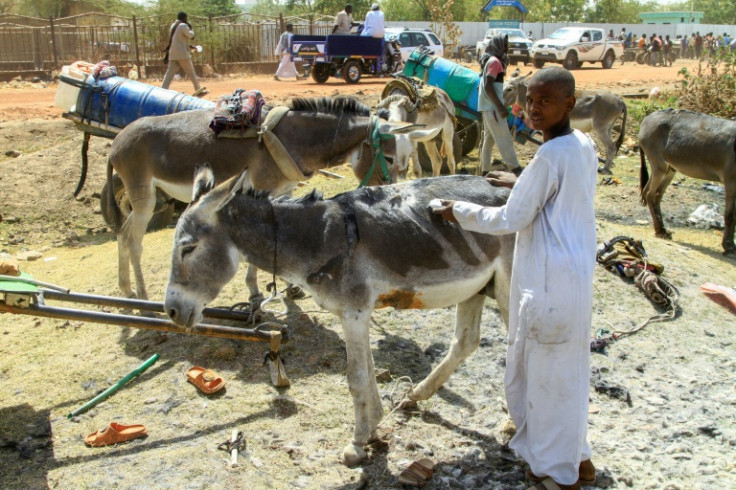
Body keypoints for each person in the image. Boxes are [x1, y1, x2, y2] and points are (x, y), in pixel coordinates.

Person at [433, 66, 598, 490]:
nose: (534, 108)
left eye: (546, 101)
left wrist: (458, 210)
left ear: (569, 104)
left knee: (544, 380)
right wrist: (523, 180)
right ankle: (577, 459)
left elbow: (510, 218)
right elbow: (554, 190)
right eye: (529, 99)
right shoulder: (581, 145)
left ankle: (555, 474)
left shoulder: (548, 156)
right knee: (568, 375)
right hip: (574, 281)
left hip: (547, 285)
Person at [478, 34, 521, 175]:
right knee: (504, 138)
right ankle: (515, 168)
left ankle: (485, 170)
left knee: (489, 140)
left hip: (487, 107)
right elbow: (488, 86)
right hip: (493, 108)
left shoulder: (491, 60)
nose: (507, 48)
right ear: (497, 45)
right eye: (504, 45)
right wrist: (500, 106)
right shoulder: (495, 62)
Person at [162, 12, 204, 95]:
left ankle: (162, 90)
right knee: (191, 73)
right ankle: (198, 90)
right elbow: (191, 36)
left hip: (173, 54)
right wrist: (191, 28)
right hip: (182, 54)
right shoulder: (183, 26)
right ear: (184, 18)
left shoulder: (173, 25)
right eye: (186, 18)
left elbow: (178, 40)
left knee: (169, 74)